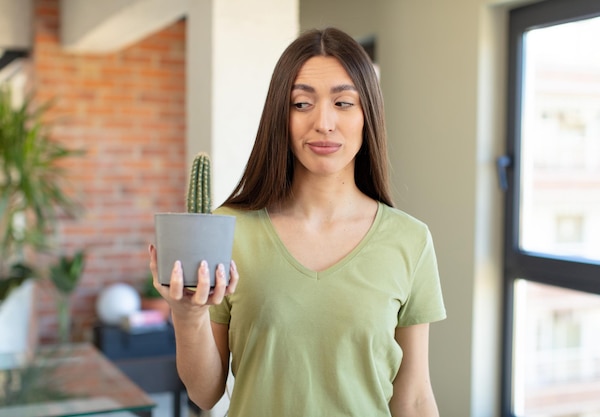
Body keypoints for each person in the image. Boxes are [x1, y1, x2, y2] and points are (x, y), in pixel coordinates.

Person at [149, 27, 446, 417]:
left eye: (343, 103)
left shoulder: (410, 240)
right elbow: (206, 394)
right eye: (302, 104)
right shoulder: (228, 230)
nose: (324, 123)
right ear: (280, 117)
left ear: (367, 115)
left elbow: (415, 397)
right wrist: (188, 317)